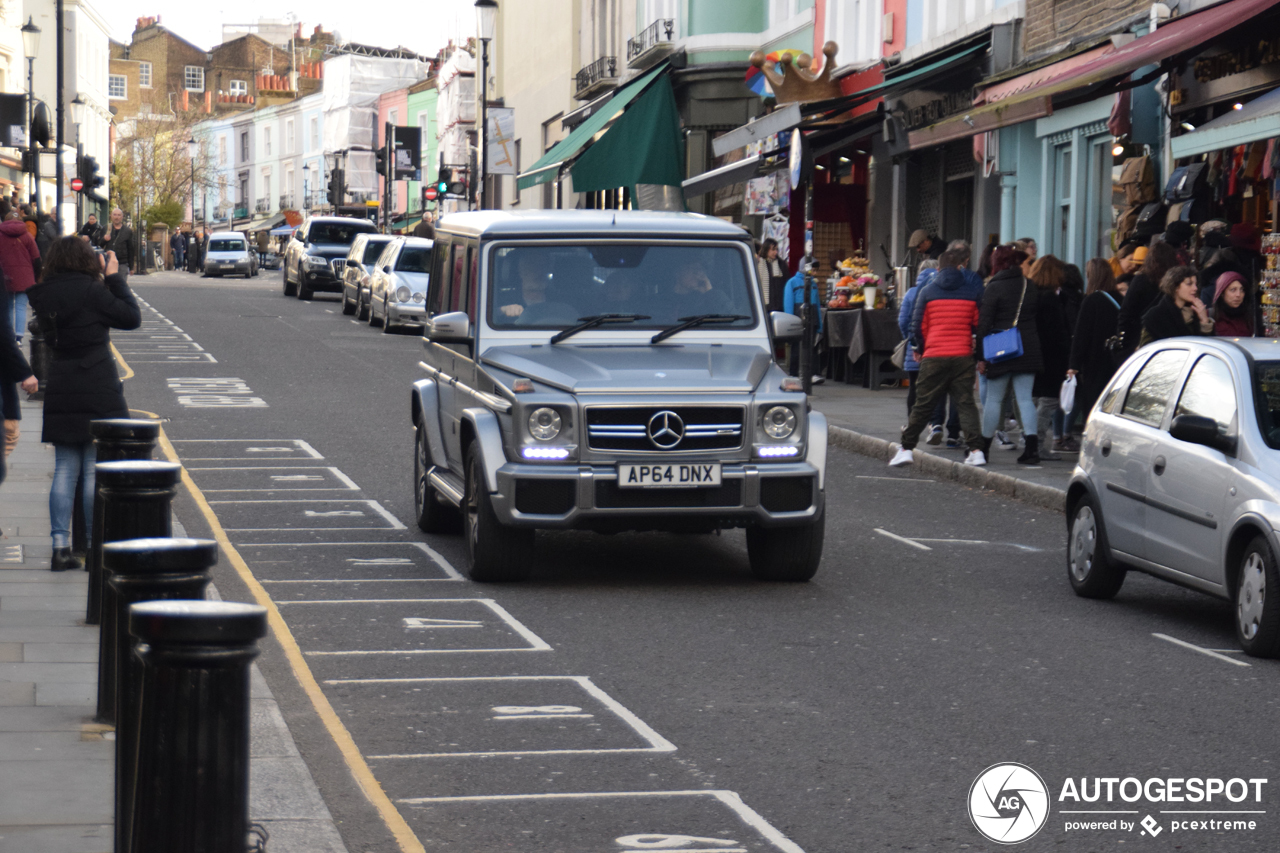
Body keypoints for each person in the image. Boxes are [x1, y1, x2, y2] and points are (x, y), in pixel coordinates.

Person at [25, 239, 141, 571]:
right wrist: (115, 278)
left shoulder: (43, 294)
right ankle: (93, 549)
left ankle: (60, 548)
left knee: (64, 469)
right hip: (96, 383)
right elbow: (131, 317)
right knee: (92, 470)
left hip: (61, 381)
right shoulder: (94, 291)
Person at [890, 247, 986, 468]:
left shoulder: (928, 291)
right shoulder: (972, 292)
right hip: (962, 356)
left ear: (939, 268)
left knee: (923, 404)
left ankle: (906, 449)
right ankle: (976, 451)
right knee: (966, 404)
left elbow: (917, 325)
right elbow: (978, 327)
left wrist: (919, 348)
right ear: (961, 266)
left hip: (934, 355)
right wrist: (978, 354)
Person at [975, 245, 1041, 463]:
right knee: (1025, 399)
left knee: (994, 400)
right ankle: (1032, 449)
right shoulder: (1029, 285)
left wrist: (981, 356)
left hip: (1000, 348)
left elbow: (984, 323)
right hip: (1027, 346)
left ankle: (983, 449)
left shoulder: (994, 287)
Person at [1067, 259, 1124, 428]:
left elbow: (1081, 335)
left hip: (1094, 361)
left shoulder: (1091, 300)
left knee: (1093, 404)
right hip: (1116, 360)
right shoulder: (1120, 299)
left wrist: (1074, 365)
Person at [1027, 255, 1072, 462]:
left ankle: (1028, 440)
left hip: (1033, 355)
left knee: (1035, 399)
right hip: (1051, 356)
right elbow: (1057, 332)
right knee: (1049, 401)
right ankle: (1036, 444)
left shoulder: (1031, 294)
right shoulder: (1051, 299)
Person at [1116, 240, 1178, 356]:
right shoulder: (1175, 283)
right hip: (1168, 339)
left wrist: (1125, 342)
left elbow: (1126, 313)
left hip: (1140, 340)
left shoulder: (1141, 280)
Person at [1139, 265, 1212, 346]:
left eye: (1195, 284)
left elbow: (1208, 347)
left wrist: (1204, 321)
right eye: (1189, 284)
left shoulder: (1196, 313)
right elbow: (1147, 348)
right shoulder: (1156, 316)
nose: (1195, 288)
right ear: (1175, 287)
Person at [0, 211, 41, 345]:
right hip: (25, 275)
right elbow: (36, 257)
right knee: (21, 306)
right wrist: (35, 274)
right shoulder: (27, 236)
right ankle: (19, 336)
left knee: (8, 307)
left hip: (5, 275)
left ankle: (10, 336)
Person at [782, 264, 824, 384]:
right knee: (797, 346)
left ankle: (812, 373)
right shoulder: (792, 282)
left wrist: (819, 324)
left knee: (812, 346)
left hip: (812, 317)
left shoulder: (813, 284)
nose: (815, 273)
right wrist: (789, 321)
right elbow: (788, 303)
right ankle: (794, 373)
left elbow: (817, 304)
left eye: (816, 270)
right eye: (814, 270)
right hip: (797, 316)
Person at [499, 253, 552, 319]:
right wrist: (502, 310)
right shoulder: (502, 299)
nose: (539, 272)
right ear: (520, 272)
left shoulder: (560, 299)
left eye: (542, 267)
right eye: (532, 267)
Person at [1211, 271, 1254, 337]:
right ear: (1222, 293)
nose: (1238, 295)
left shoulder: (1248, 317)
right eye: (1233, 290)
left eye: (1242, 290)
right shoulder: (1211, 316)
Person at [756, 238, 787, 313]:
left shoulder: (781, 264)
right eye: (773, 249)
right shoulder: (758, 263)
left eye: (776, 249)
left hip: (779, 306)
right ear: (766, 249)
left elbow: (786, 283)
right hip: (763, 307)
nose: (775, 252)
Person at [101, 208, 135, 276]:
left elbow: (131, 249)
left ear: (122, 217)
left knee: (121, 285)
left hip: (122, 263)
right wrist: (104, 239)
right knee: (109, 285)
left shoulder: (127, 231)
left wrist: (131, 267)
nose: (117, 217)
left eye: (119, 215)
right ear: (111, 216)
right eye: (115, 215)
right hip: (108, 262)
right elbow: (99, 245)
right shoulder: (106, 228)